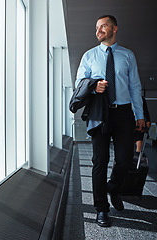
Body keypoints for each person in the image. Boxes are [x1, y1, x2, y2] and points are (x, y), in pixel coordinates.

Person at [75, 15, 145, 227]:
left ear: (115, 28)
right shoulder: (89, 56)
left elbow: (135, 86)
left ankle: (113, 187)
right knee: (100, 160)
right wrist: (93, 86)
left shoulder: (127, 55)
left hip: (124, 112)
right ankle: (101, 209)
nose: (98, 30)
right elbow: (79, 82)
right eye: (96, 27)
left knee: (124, 159)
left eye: (103, 26)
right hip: (100, 111)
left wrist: (140, 115)